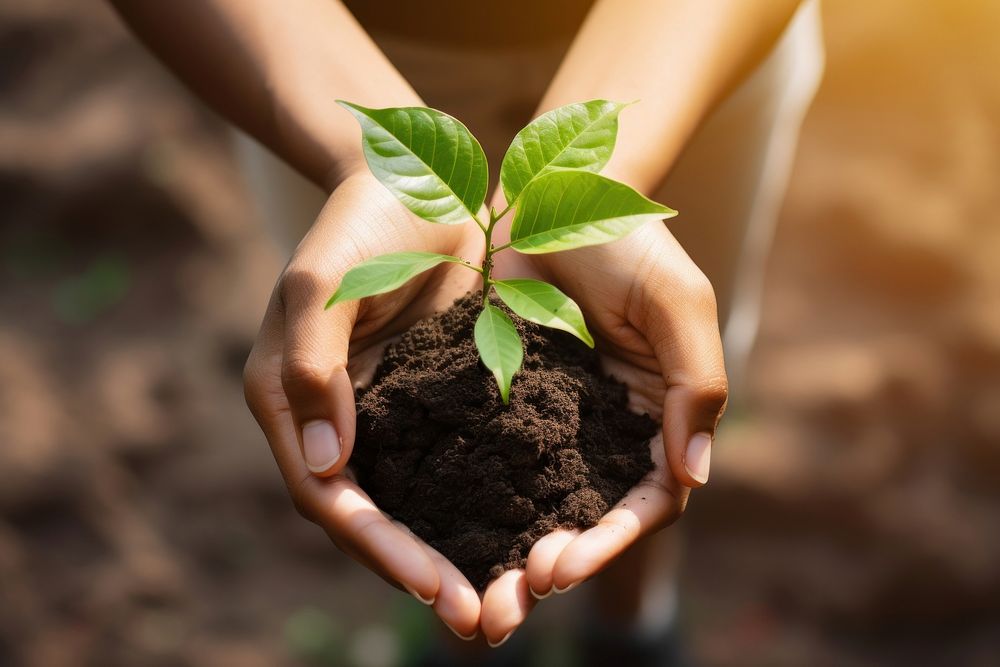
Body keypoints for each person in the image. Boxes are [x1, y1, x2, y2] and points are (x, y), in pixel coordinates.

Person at [111, 0, 823, 658]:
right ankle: (470, 636)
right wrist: (363, 159)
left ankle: (631, 619)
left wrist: (604, 161)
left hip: (695, 42)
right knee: (452, 481)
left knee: (657, 371)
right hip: (322, 57)